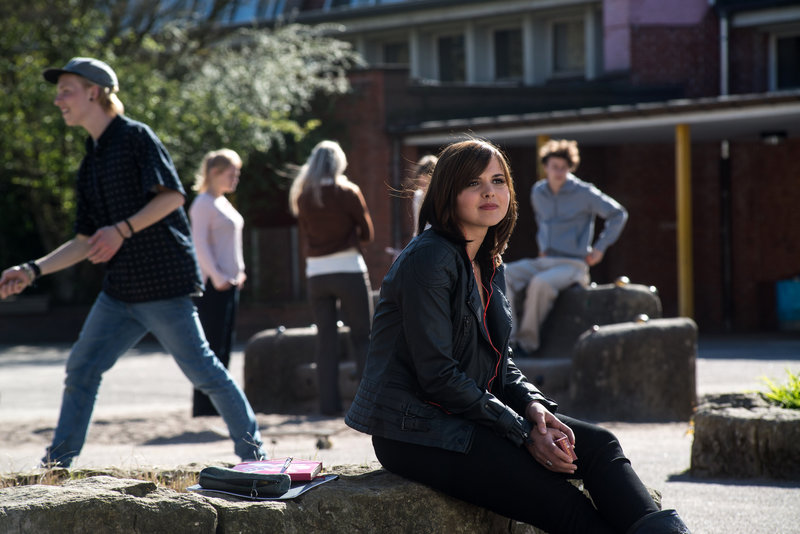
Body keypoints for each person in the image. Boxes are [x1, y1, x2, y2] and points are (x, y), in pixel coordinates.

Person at [345, 139, 690, 533]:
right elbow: (437, 376)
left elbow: (500, 362)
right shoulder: (430, 258)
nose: (490, 191)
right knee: (562, 504)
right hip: (416, 431)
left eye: (498, 180)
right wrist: (524, 434)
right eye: (474, 183)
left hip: (469, 414)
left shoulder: (489, 260)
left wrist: (535, 409)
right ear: (447, 194)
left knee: (599, 447)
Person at [0, 57, 266, 467]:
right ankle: (57, 465)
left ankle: (255, 457)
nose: (57, 101)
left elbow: (173, 196)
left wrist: (121, 229)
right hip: (119, 291)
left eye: (65, 91)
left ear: (95, 92)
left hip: (163, 286)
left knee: (204, 373)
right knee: (82, 369)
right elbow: (85, 240)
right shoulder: (90, 160)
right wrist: (31, 270)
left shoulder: (136, 137)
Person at [505, 139, 628, 355]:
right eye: (554, 167)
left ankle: (527, 345)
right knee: (502, 273)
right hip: (544, 261)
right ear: (546, 167)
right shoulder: (538, 192)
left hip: (574, 265)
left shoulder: (585, 192)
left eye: (564, 168)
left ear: (570, 168)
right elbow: (542, 223)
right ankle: (509, 341)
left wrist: (599, 248)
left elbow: (618, 214)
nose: (559, 172)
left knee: (540, 284)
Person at [289, 140, 374, 416]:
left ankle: (328, 406)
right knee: (362, 337)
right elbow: (367, 232)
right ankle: (367, 404)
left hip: (316, 274)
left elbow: (305, 232)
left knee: (325, 340)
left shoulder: (304, 196)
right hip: (349, 269)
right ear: (339, 163)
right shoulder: (348, 192)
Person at [189, 148, 246, 417]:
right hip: (213, 286)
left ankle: (218, 406)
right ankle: (203, 407)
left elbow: (231, 243)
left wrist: (240, 271)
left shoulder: (222, 202)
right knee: (210, 347)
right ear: (214, 172)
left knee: (224, 346)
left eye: (237, 173)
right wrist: (217, 276)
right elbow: (199, 245)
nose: (235, 178)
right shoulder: (202, 203)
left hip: (230, 282)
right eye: (230, 173)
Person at [410, 154, 438, 235]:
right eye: (421, 184)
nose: (423, 188)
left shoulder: (442, 197)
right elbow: (417, 227)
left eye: (426, 184)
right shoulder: (418, 196)